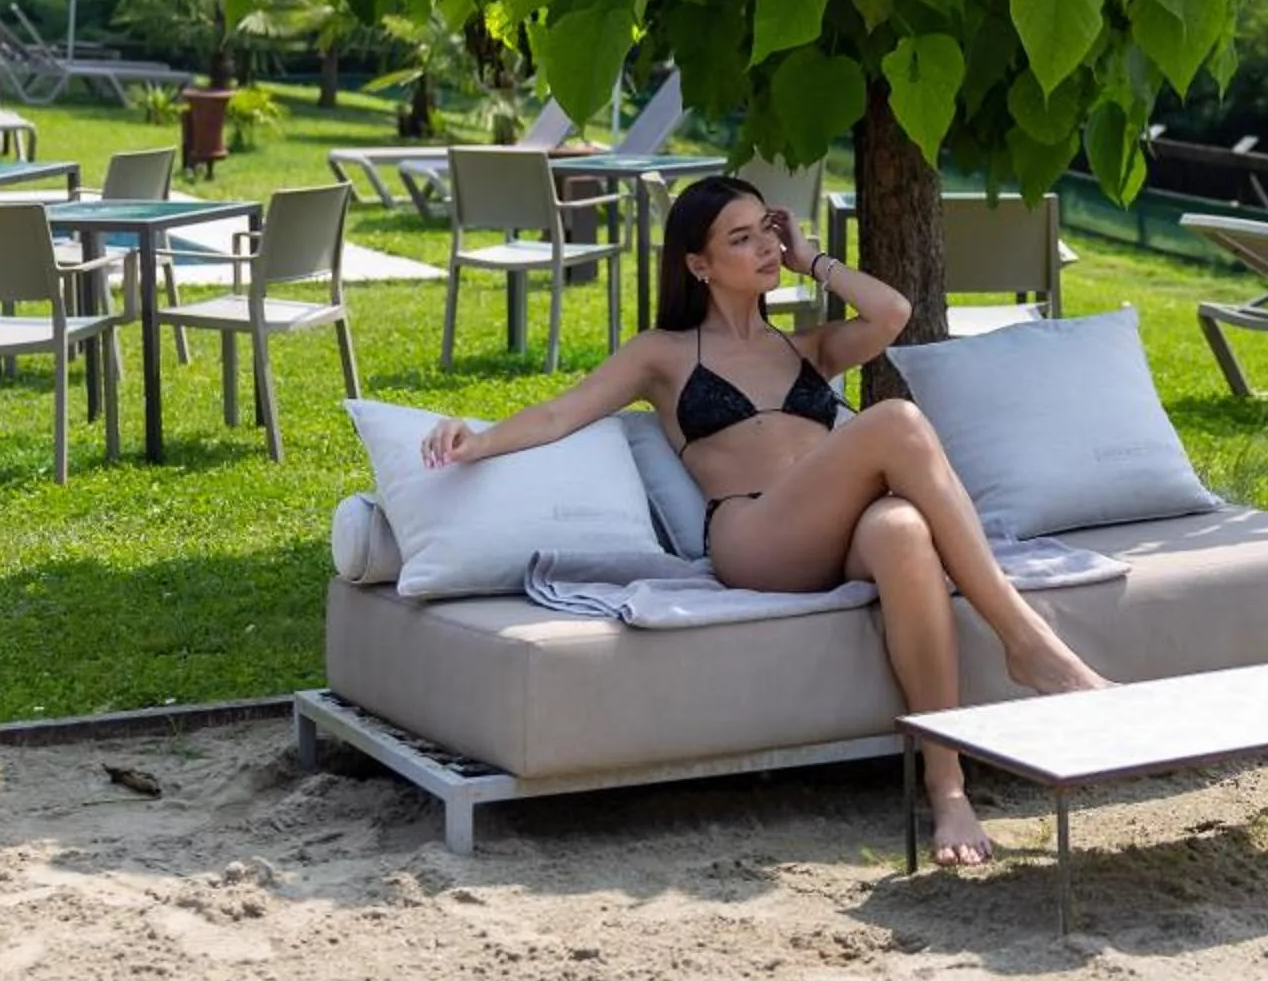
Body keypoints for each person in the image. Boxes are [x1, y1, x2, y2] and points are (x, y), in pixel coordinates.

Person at [421, 173, 1105, 866]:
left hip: (836, 536)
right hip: (754, 539)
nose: (766, 249)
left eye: (768, 232)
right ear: (699, 264)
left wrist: (812, 259)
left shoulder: (803, 347)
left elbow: (892, 312)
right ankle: (1027, 641)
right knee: (896, 420)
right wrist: (478, 440)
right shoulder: (662, 353)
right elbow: (558, 413)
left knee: (902, 529)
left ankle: (947, 788)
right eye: (741, 239)